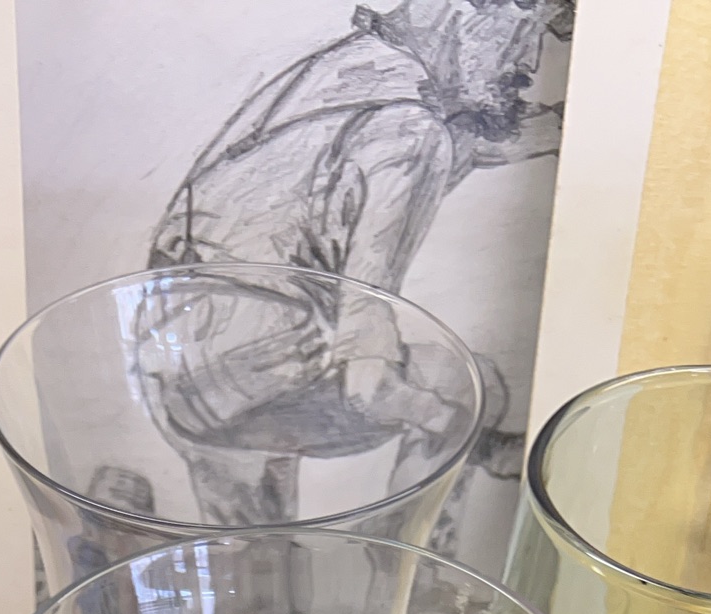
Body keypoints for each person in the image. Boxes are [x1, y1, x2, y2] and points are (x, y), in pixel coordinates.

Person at [138, 0, 572, 532]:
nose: (529, 60)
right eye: (523, 28)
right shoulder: (410, 129)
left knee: (256, 561)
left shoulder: (351, 72)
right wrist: (453, 423)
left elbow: (476, 136)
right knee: (468, 382)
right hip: (272, 358)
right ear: (463, 11)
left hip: (176, 365)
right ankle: (401, 555)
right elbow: (366, 337)